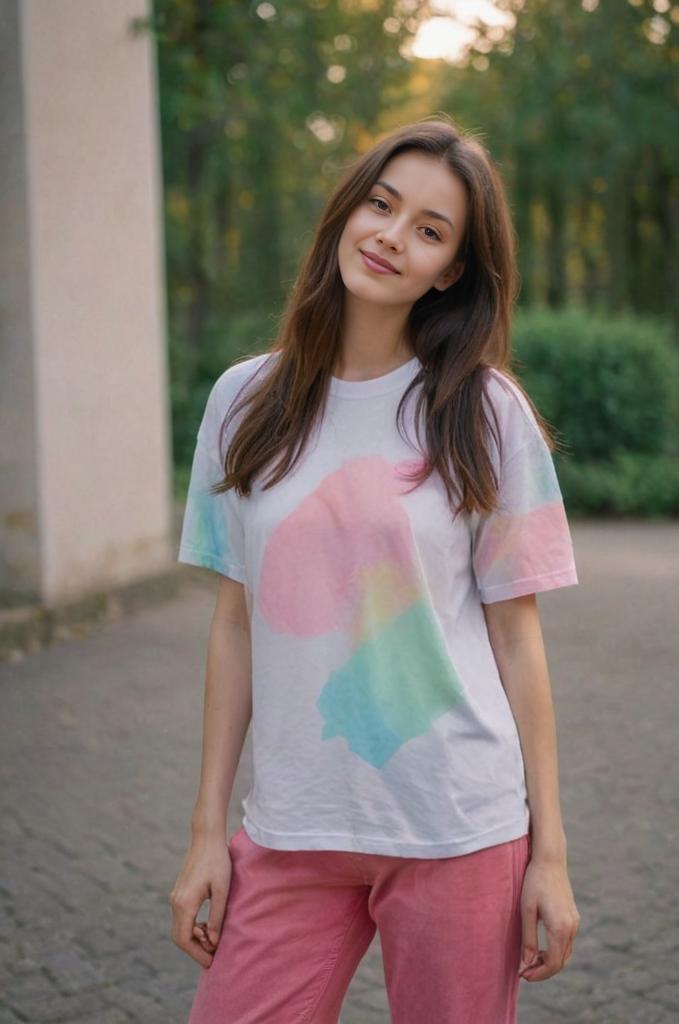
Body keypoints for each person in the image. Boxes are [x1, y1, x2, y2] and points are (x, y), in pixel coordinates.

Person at [170, 115, 581, 1024]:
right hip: (290, 829)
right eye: (382, 204)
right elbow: (234, 625)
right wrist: (207, 836)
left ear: (453, 270)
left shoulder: (486, 413)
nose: (393, 236)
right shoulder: (243, 400)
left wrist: (548, 853)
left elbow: (519, 640)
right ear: (347, 211)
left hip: (456, 825)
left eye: (430, 230)